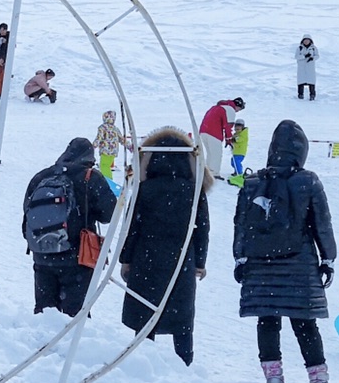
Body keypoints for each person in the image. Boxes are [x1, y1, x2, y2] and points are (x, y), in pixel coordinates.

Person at [234, 120, 337, 383]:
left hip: (260, 265)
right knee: (304, 323)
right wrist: (328, 259)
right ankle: (317, 376)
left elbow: (241, 225)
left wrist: (240, 258)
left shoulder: (253, 183)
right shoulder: (307, 181)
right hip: (299, 266)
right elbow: (322, 224)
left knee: (267, 319)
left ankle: (273, 375)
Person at [119, 128, 210, 365]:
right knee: (181, 318)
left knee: (145, 314)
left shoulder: (144, 189)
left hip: (145, 258)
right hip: (182, 260)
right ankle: (185, 363)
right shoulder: (194, 190)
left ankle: (143, 363)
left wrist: (125, 259)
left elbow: (132, 226)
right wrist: (200, 261)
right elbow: (202, 228)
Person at [24, 136, 116, 316]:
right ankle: (73, 343)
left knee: (44, 312)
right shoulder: (90, 177)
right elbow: (109, 213)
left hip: (42, 255)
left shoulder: (42, 176)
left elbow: (27, 214)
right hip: (77, 258)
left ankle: (44, 343)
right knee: (75, 315)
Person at [197, 96, 245, 182]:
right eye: (239, 109)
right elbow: (228, 126)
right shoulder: (230, 109)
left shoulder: (216, 107)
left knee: (210, 153)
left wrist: (227, 138)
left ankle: (208, 172)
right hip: (214, 132)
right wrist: (229, 139)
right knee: (217, 154)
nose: (237, 111)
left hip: (203, 131)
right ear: (237, 105)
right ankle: (215, 173)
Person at [93, 110, 124, 180]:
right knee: (107, 166)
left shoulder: (102, 128)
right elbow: (122, 139)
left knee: (104, 166)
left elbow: (99, 138)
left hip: (105, 150)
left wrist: (93, 146)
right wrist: (129, 146)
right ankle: (108, 179)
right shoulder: (115, 129)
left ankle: (108, 181)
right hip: (114, 151)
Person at [228, 119, 250, 184]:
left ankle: (240, 174)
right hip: (235, 152)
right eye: (236, 127)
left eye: (239, 127)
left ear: (242, 127)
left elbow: (239, 139)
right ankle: (236, 171)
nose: (237, 128)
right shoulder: (236, 134)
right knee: (233, 162)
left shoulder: (244, 134)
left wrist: (233, 139)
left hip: (240, 152)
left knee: (237, 162)